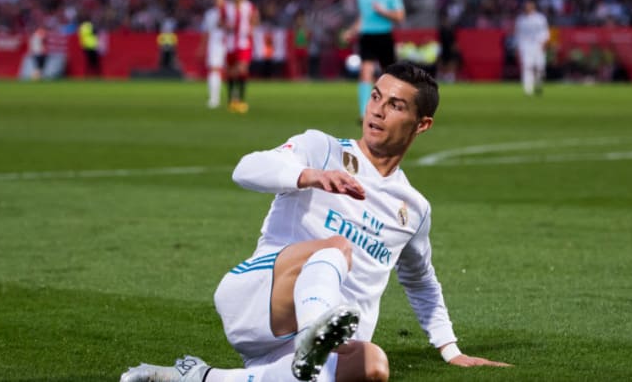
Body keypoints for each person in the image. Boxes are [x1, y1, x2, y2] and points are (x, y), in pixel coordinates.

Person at [119, 61, 511, 382]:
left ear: (421, 124)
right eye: (376, 96)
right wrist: (309, 176)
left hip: (314, 349)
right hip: (259, 300)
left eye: (395, 105)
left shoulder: (414, 208)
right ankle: (313, 334)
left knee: (374, 366)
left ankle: (204, 378)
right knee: (337, 248)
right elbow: (246, 168)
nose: (377, 109)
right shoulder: (320, 149)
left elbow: (421, 280)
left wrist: (451, 350)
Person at [343, 0, 405, 121]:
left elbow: (400, 16)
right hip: (367, 37)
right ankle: (365, 112)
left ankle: (392, 107)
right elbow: (363, 19)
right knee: (365, 73)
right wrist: (351, 31)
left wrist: (383, 11)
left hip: (384, 35)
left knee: (389, 75)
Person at [222, 0, 259, 114]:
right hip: (231, 43)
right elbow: (221, 22)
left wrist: (252, 27)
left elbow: (255, 20)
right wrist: (226, 25)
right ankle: (231, 100)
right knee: (231, 72)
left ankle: (242, 100)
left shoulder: (249, 6)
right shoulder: (227, 7)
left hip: (244, 43)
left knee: (242, 69)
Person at [198, 0, 227, 109]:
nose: (218, 1)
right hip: (215, 44)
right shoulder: (210, 14)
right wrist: (202, 46)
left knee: (232, 71)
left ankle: (234, 98)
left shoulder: (231, 12)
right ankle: (214, 99)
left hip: (229, 44)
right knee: (214, 70)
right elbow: (206, 32)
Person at [514, 0, 549, 95]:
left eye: (529, 6)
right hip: (525, 46)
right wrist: (517, 47)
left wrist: (544, 43)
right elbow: (518, 34)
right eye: (526, 7)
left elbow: (545, 32)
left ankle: (538, 84)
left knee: (539, 67)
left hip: (538, 45)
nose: (527, 8)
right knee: (527, 67)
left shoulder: (540, 18)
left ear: (533, 7)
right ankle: (528, 89)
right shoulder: (520, 19)